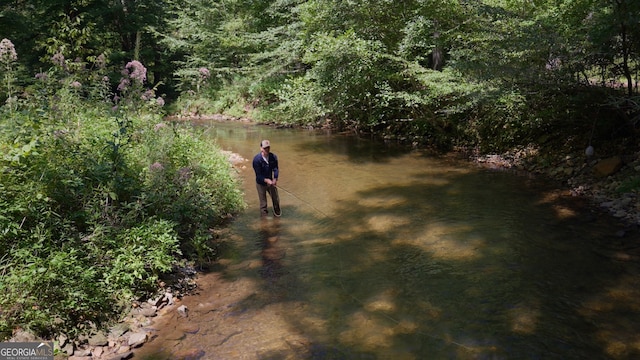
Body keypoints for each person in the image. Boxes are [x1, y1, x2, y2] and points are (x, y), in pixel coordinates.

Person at [252, 139, 281, 217]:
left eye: (268, 148)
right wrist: (266, 180)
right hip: (260, 183)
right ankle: (264, 222)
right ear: (261, 148)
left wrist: (275, 178)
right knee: (263, 204)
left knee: (276, 199)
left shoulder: (273, 157)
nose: (267, 150)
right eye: (265, 148)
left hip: (271, 182)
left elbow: (275, 169)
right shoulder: (256, 160)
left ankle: (277, 216)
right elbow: (258, 175)